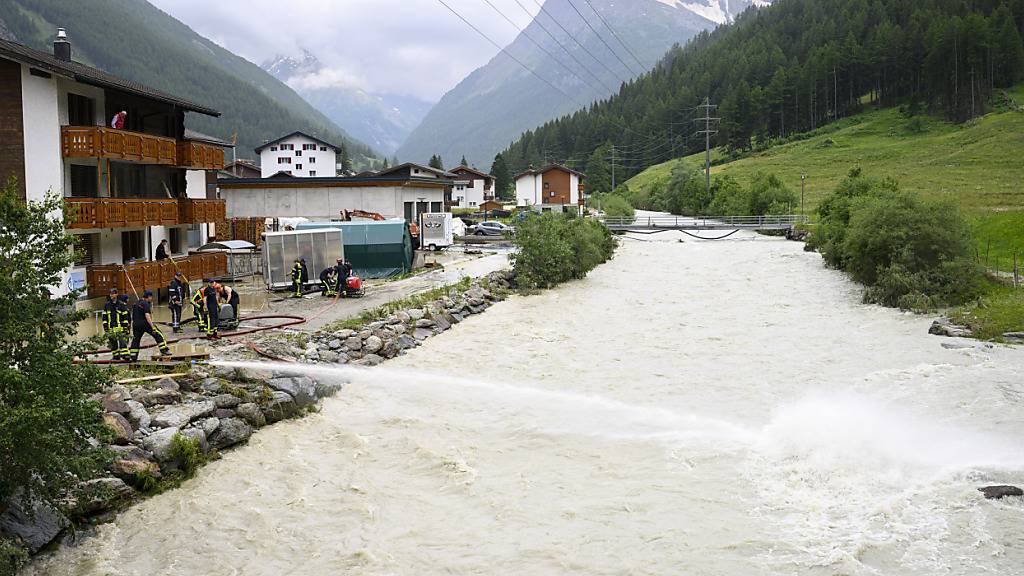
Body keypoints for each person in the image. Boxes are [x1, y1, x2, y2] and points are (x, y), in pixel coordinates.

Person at [128, 290, 171, 360]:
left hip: (135, 324)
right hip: (145, 323)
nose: (152, 299)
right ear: (148, 297)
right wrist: (152, 326)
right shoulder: (146, 304)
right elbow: (147, 316)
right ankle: (164, 350)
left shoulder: (136, 304)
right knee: (158, 334)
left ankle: (133, 356)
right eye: (151, 297)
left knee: (136, 340)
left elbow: (132, 315)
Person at [102, 288, 123, 358]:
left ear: (117, 294)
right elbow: (104, 317)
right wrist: (105, 326)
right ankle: (116, 357)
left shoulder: (121, 304)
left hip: (119, 328)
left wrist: (126, 326)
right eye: (110, 293)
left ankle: (125, 356)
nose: (111, 295)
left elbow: (125, 316)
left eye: (113, 293)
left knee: (122, 343)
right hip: (110, 328)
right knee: (113, 344)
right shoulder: (107, 305)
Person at [115, 294, 131, 360]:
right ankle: (124, 355)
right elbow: (127, 318)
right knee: (123, 341)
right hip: (124, 327)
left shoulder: (119, 306)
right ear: (126, 299)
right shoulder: (124, 307)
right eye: (128, 298)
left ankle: (121, 354)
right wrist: (127, 327)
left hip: (120, 327)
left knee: (122, 341)